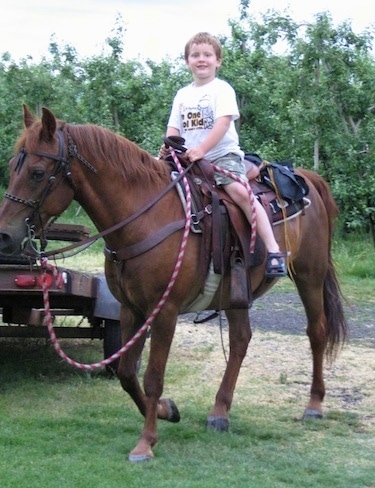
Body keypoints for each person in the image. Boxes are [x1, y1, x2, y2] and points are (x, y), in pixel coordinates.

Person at [159, 32, 287, 278]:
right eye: (195, 55)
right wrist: (169, 147)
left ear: (218, 61)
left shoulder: (222, 89)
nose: (201, 59)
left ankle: (273, 250)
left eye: (208, 55)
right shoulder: (182, 95)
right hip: (188, 158)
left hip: (221, 156)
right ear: (187, 61)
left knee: (240, 192)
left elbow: (222, 123)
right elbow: (174, 128)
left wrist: (202, 150)